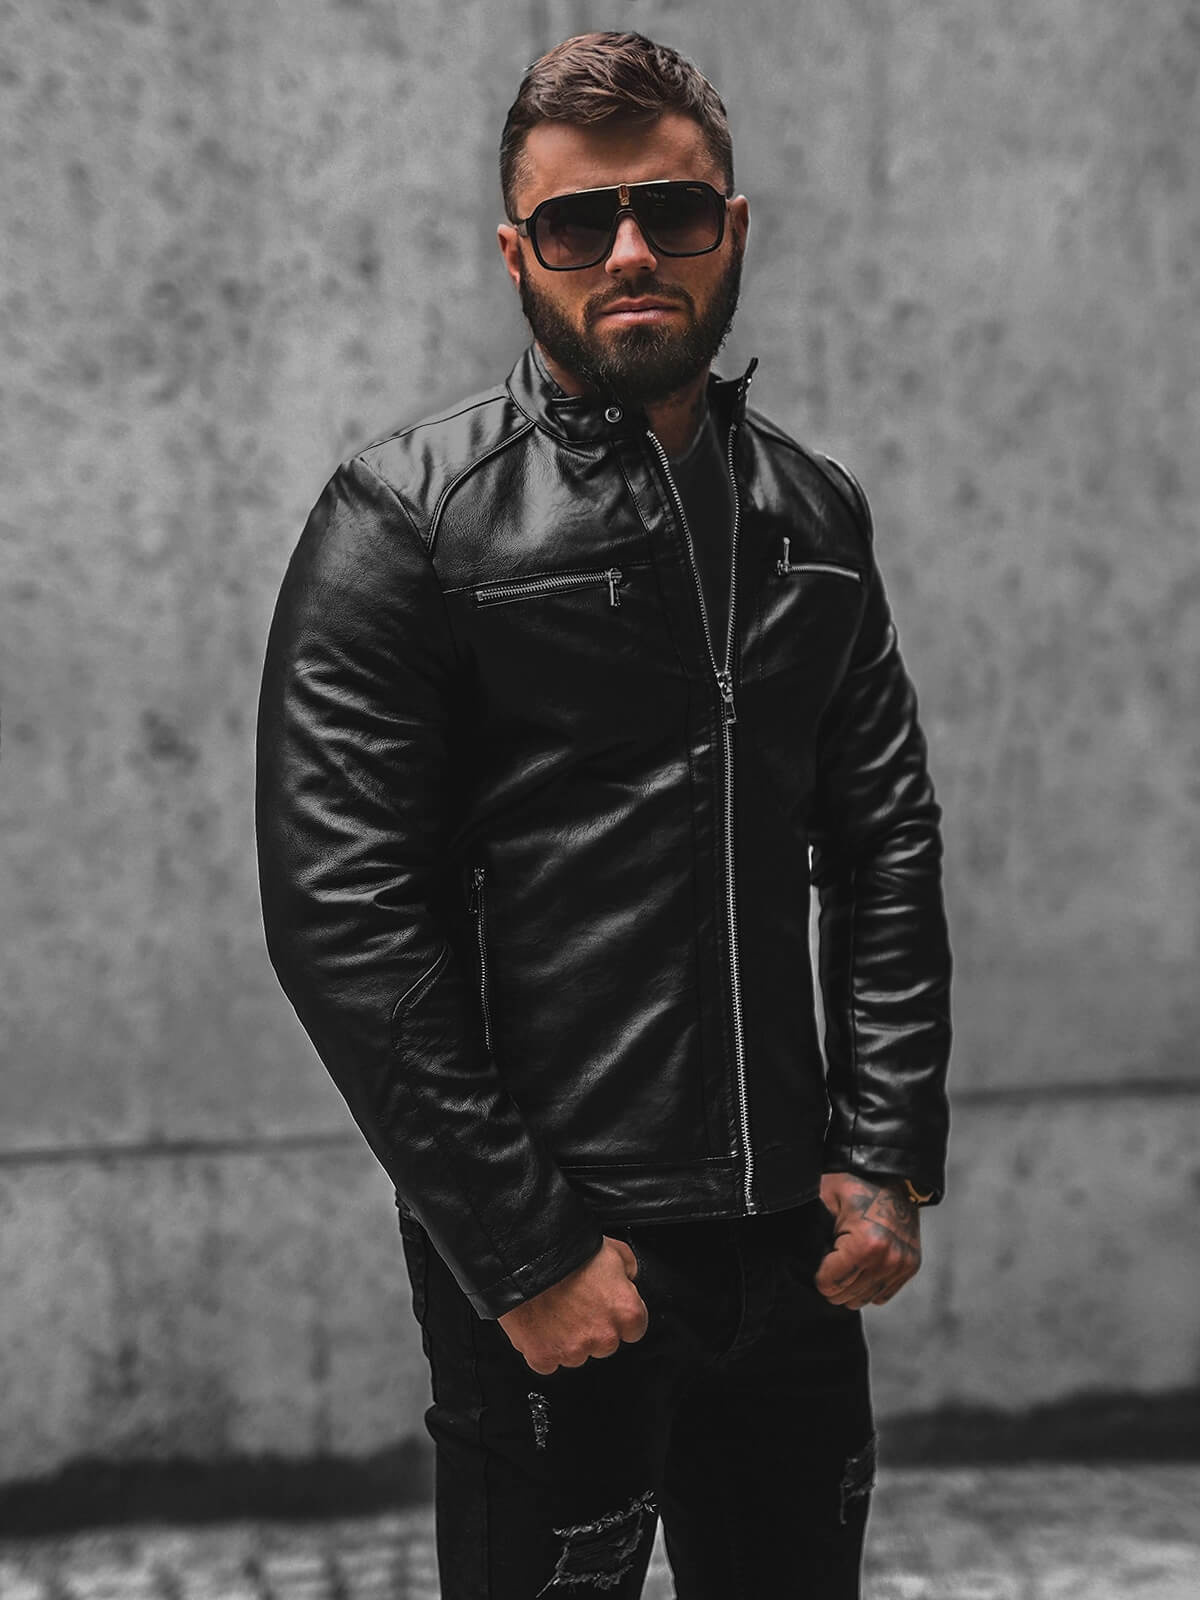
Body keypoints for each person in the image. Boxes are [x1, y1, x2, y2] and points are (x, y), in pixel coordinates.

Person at [255, 29, 951, 1600]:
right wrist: (521, 1249)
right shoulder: (405, 523)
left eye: (672, 211)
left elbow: (886, 841)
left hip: (794, 1248)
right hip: (567, 1255)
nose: (630, 252)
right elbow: (343, 917)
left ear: (732, 229)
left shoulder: (814, 518)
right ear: (519, 253)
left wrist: (885, 1147)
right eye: (579, 223)